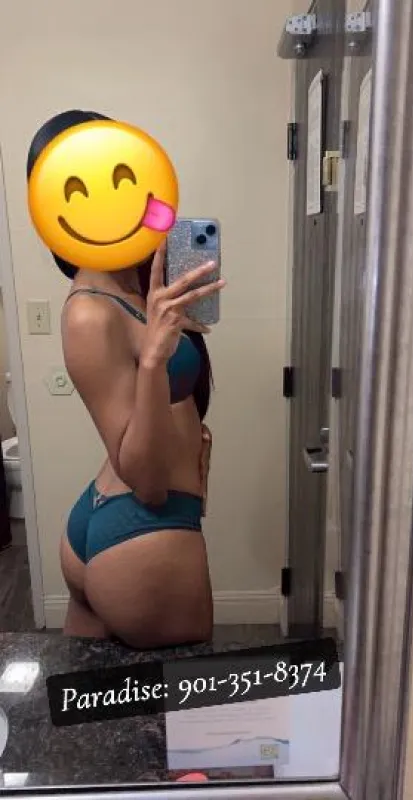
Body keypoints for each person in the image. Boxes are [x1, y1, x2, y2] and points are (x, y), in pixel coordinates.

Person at [27, 111, 225, 648]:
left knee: (88, 698)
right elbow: (148, 482)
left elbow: (159, 209)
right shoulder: (88, 313)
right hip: (145, 528)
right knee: (178, 703)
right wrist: (155, 360)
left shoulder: (132, 282)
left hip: (118, 521)